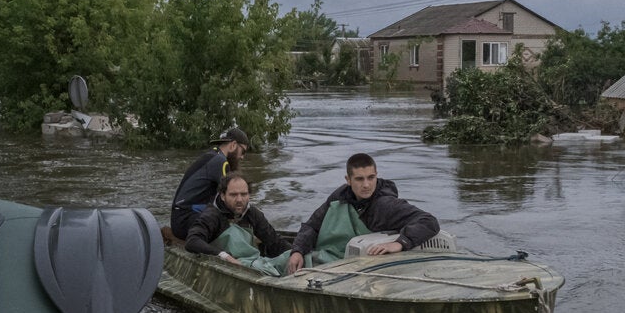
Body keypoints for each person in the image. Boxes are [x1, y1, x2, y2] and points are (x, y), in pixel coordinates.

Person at [287, 153, 439, 274]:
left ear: (376, 175)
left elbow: (429, 221)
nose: (366, 185)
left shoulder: (386, 205)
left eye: (371, 178)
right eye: (359, 179)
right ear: (348, 180)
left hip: (363, 266)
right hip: (330, 255)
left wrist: (400, 243)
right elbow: (312, 226)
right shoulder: (339, 197)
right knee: (285, 263)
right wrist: (297, 251)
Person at [185, 173, 291, 265]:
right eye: (233, 195)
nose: (239, 200)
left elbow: (274, 242)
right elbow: (192, 241)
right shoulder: (212, 215)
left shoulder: (253, 213)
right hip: (230, 265)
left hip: (254, 262)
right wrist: (224, 256)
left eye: (244, 194)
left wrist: (296, 253)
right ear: (222, 195)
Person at [170, 127, 250, 240]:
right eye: (243, 151)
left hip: (180, 218)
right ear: (233, 145)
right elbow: (230, 197)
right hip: (186, 220)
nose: (242, 157)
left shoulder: (212, 155)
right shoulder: (221, 162)